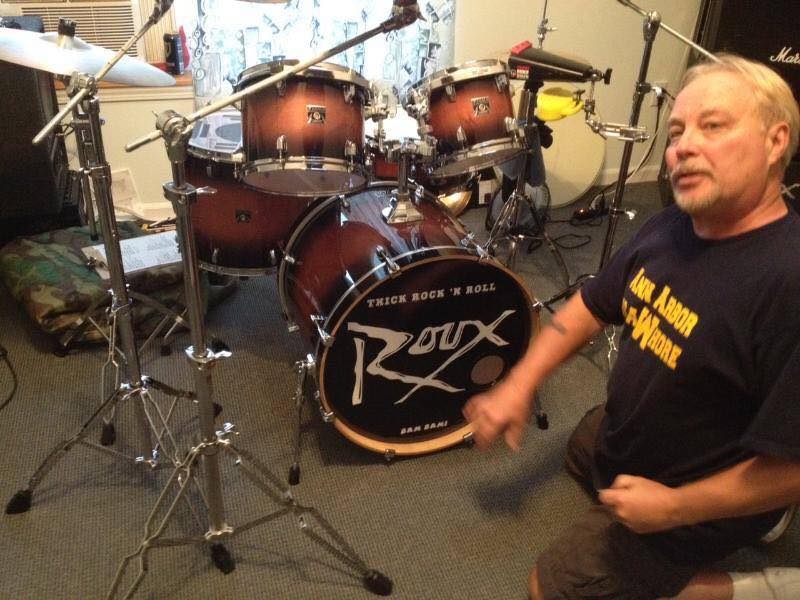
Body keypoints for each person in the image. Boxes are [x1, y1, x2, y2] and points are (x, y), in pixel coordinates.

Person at [463, 53, 800, 600]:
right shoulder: (672, 225)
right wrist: (520, 383)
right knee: (583, 447)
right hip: (641, 438)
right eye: (677, 132)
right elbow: (593, 305)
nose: (682, 147)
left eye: (713, 126)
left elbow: (793, 470)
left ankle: (759, 584)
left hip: (694, 488)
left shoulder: (788, 282)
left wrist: (674, 507)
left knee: (553, 588)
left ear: (775, 141)